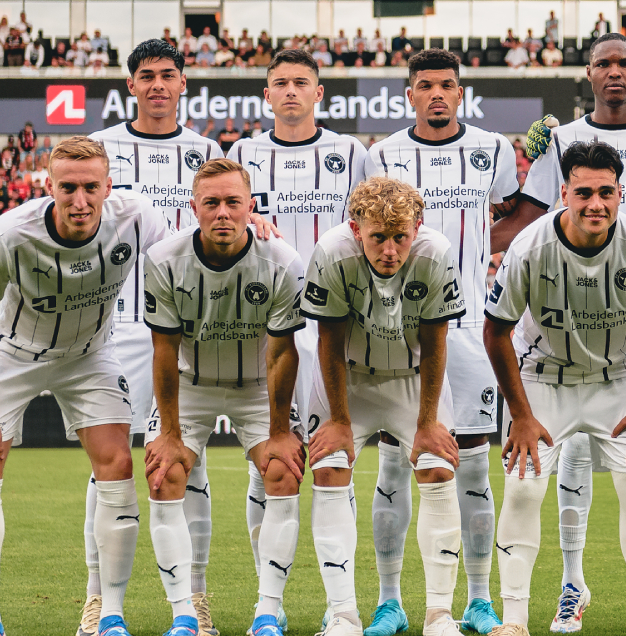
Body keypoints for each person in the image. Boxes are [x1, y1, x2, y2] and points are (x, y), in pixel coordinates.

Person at [492, 32, 626, 634]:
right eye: (603, 64)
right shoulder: (558, 141)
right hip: (557, 344)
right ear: (588, 74)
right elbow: (524, 218)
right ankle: (571, 582)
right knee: (565, 468)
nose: (614, 73)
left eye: (624, 64)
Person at [0, 136, 171, 636]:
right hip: (11, 354)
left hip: (89, 355)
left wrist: (253, 226)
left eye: (91, 188)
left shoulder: (138, 216)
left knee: (118, 464)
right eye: (68, 188)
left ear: (108, 186)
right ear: (48, 186)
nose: (80, 201)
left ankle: (110, 613)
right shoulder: (10, 234)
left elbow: (185, 257)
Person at [88, 37, 244, 636]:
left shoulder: (208, 151)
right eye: (146, 75)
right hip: (115, 324)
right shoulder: (100, 149)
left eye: (168, 75)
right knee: (107, 466)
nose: (157, 85)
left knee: (190, 461)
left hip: (191, 325)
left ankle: (194, 601)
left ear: (184, 84)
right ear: (131, 85)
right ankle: (98, 601)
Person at [362, 48, 520, 636]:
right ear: (409, 94)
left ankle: (478, 599)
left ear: (461, 93)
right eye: (424, 84)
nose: (436, 93)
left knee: (473, 468)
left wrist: (474, 248)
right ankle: (388, 601)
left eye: (446, 85)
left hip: (471, 330)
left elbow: (510, 212)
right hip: (397, 331)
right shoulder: (383, 156)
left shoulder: (493, 150)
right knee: (395, 466)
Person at [228, 49, 367, 627]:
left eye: (300, 83)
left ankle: (344, 608)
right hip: (272, 329)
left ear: (319, 92)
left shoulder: (350, 153)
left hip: (336, 328)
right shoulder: (241, 155)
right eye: (279, 83)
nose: (290, 91)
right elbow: (219, 222)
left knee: (336, 463)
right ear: (267, 95)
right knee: (272, 462)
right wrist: (248, 220)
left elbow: (372, 224)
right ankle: (270, 606)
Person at [141, 158, 304, 636]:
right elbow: (164, 351)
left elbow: (281, 353)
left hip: (256, 386)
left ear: (251, 206)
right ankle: (185, 616)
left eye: (233, 202)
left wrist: (278, 433)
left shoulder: (282, 261)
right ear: (193, 207)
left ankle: (267, 612)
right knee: (163, 474)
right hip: (190, 385)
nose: (223, 213)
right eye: (211, 203)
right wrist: (169, 434)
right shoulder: (164, 259)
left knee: (282, 471)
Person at [302, 175, 467, 636]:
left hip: (413, 378)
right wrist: (337, 420)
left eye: (401, 238)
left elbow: (436, 343)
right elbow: (328, 342)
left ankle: (439, 614)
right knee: (330, 467)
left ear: (417, 227)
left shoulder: (435, 254)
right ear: (356, 229)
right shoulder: (333, 251)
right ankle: (343, 615)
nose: (390, 250)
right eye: (378, 238)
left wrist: (429, 421)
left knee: (437, 466)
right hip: (347, 378)